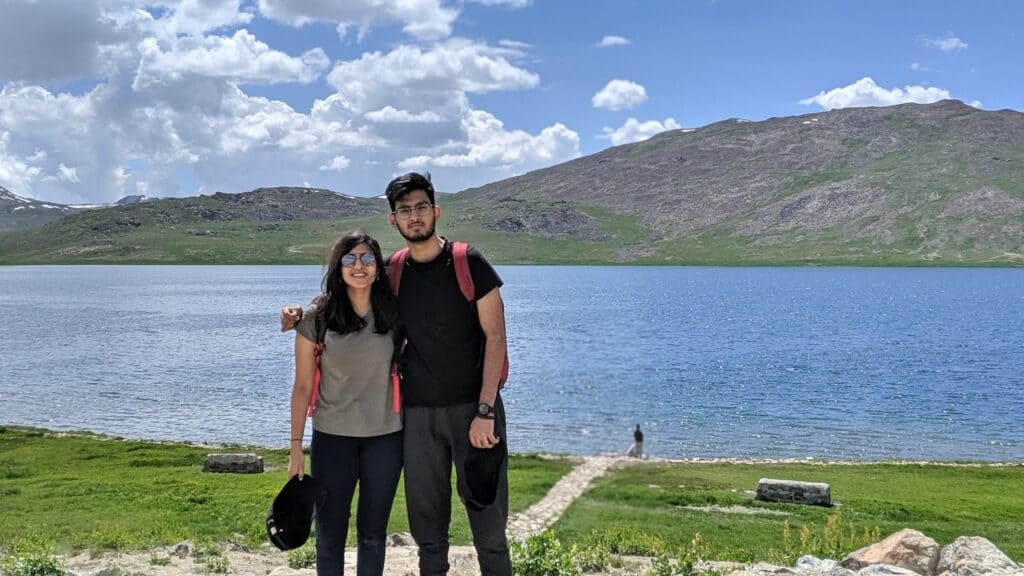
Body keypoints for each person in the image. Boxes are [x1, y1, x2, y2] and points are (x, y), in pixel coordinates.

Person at [282, 172, 511, 576]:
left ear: (435, 211)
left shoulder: (468, 262)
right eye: (405, 210)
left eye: (422, 207)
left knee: (489, 530)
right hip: (417, 419)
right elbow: (348, 288)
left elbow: (496, 338)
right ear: (394, 221)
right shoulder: (394, 272)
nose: (415, 216)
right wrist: (301, 315)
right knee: (429, 535)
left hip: (474, 414)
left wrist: (485, 410)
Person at [287, 230, 403, 576]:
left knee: (372, 535)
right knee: (329, 536)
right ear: (338, 267)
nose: (359, 266)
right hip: (332, 439)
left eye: (367, 258)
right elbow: (302, 386)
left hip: (386, 438)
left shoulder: (395, 315)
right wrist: (296, 447)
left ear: (378, 268)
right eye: (350, 259)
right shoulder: (315, 319)